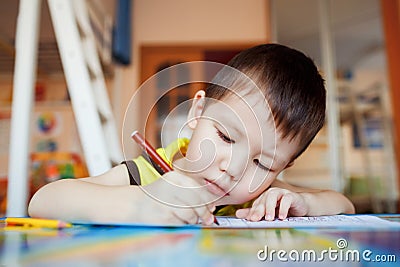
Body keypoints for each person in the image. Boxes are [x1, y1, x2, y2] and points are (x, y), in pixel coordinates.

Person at [28, 44, 355, 225]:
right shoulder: (146, 174)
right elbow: (43, 201)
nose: (233, 168)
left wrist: (302, 202)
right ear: (198, 113)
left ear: (284, 167)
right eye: (226, 137)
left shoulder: (257, 197)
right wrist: (144, 202)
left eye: (263, 163)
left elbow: (344, 205)